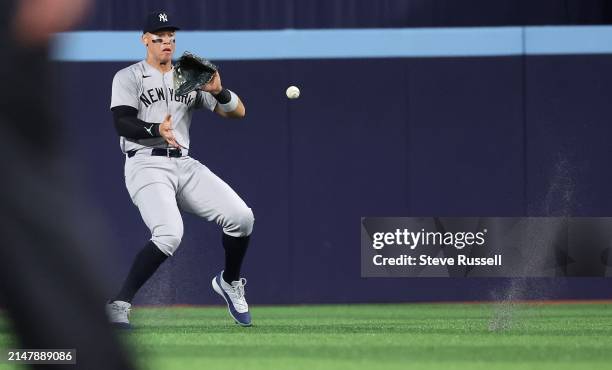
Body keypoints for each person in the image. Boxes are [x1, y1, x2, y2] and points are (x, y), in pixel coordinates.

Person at [106, 11, 254, 328]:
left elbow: (237, 112)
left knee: (242, 218)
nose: (167, 43)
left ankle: (230, 281)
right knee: (169, 234)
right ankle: (118, 304)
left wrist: (219, 91)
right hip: (145, 163)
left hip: (183, 164)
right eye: (160, 37)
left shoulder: (187, 77)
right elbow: (122, 122)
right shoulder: (129, 77)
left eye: (171, 37)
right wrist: (155, 129)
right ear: (145, 40)